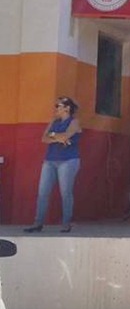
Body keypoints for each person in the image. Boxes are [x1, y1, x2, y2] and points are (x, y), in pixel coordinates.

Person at [24, 97, 82, 233]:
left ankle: (66, 223)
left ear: (67, 108)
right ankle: (38, 223)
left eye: (58, 106)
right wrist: (59, 137)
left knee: (65, 192)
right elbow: (44, 139)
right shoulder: (53, 122)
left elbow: (65, 136)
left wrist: (54, 135)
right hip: (50, 160)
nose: (56, 109)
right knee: (42, 192)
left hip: (68, 160)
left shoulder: (74, 122)